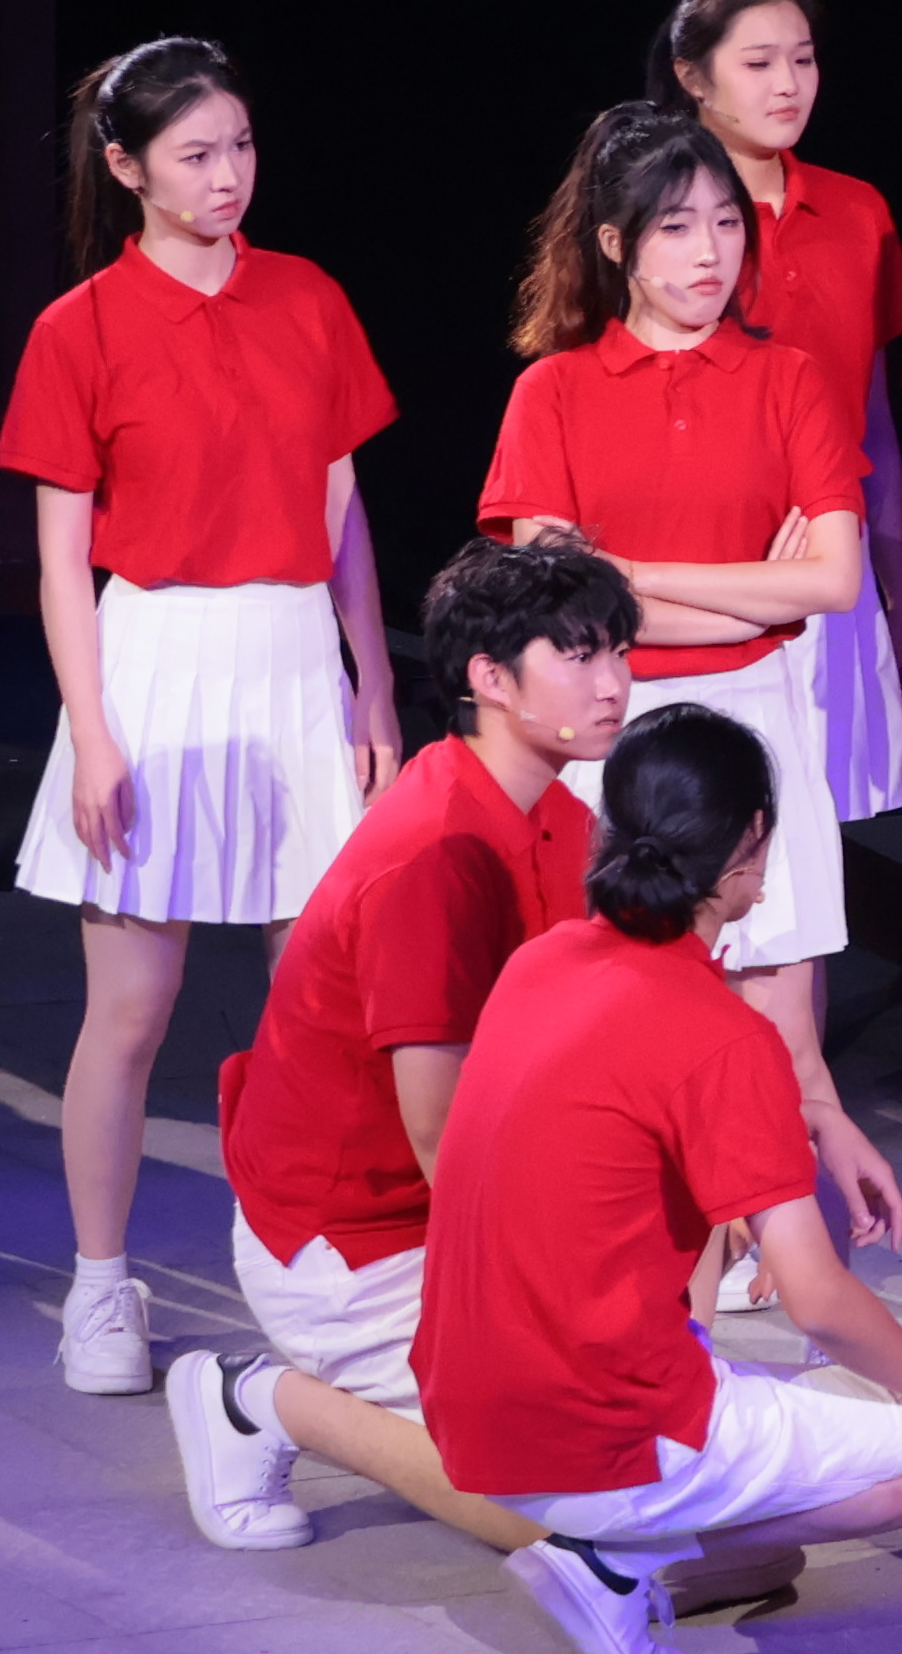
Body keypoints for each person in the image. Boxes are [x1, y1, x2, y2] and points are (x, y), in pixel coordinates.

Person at [415, 702, 902, 1654]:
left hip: (464, 1401)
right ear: (751, 844)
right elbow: (817, 1301)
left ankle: (616, 1545)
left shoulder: (541, 963)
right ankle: (615, 1562)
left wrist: (815, 1117)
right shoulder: (722, 1035)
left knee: (843, 1394)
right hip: (596, 1431)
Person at [0, 37, 403, 1396]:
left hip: (292, 658)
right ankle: (99, 1286)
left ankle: (332, 1269)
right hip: (156, 661)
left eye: (240, 145)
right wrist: (93, 728)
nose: (228, 175)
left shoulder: (308, 296)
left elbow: (343, 514)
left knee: (327, 1000)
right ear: (127, 168)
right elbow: (62, 561)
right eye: (195, 154)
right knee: (133, 1007)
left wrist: (374, 680)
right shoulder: (80, 329)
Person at [482, 101, 902, 1298]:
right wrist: (740, 595)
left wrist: (632, 575)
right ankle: (646, 1257)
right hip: (608, 732)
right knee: (626, 1014)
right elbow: (563, 603)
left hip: (759, 713)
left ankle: (784, 1263)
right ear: (616, 243)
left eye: (726, 222)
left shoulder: (787, 379)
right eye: (676, 227)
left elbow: (830, 580)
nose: (710, 251)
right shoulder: (555, 391)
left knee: (776, 1019)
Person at [161, 538, 638, 1568]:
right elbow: (439, 1131)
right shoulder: (435, 852)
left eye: (619, 652)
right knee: (598, 1536)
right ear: (489, 678)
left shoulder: (557, 814)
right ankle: (259, 1402)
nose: (614, 684)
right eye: (580, 655)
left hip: (460, 1202)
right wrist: (542, 1294)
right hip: (354, 1239)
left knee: (664, 1482)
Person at [655, 0, 902, 827]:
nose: (788, 84)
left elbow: (872, 424)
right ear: (693, 76)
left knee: (814, 841)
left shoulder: (857, 213)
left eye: (803, 59)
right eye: (759, 62)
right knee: (699, 830)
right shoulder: (664, 227)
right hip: (697, 575)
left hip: (830, 566)